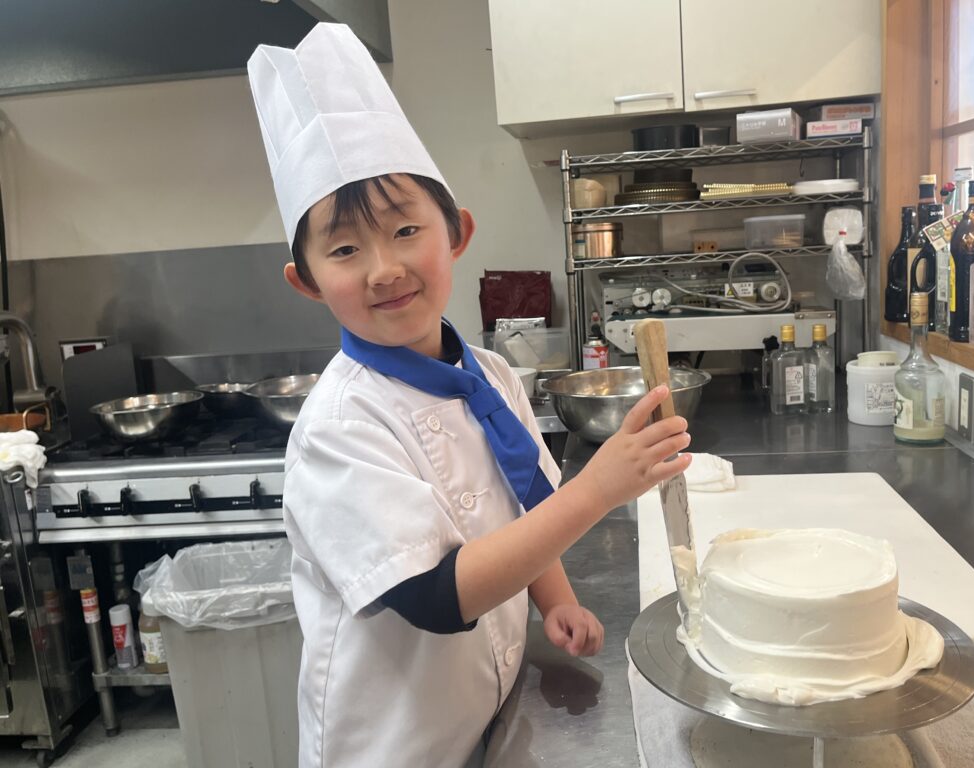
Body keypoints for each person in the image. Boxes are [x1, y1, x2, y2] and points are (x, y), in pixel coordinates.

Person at [247, 23, 691, 768]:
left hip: (484, 718)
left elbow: (524, 506)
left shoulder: (490, 374)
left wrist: (557, 601)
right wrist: (599, 489)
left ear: (456, 234)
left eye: (405, 230)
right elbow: (434, 595)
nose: (385, 269)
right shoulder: (339, 428)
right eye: (346, 249)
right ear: (308, 281)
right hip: (393, 747)